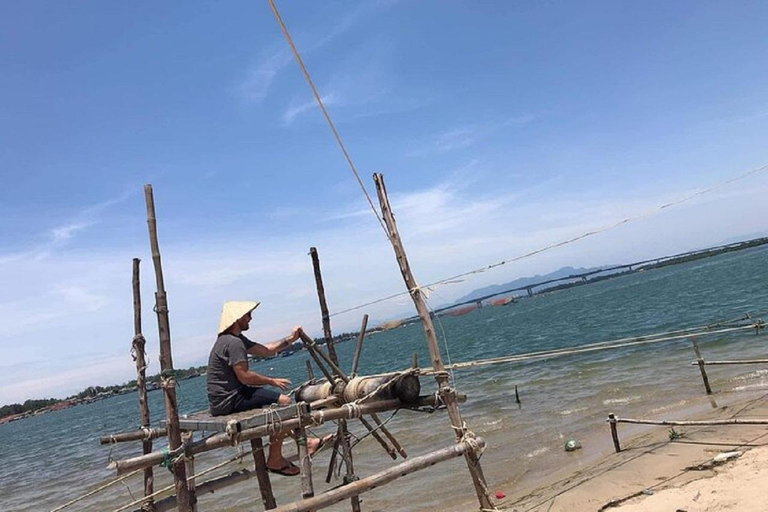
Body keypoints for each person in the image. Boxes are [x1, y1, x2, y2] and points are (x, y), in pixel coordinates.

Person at [207, 300, 329, 476]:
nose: (250, 318)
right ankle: (275, 459)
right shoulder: (233, 343)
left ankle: (307, 442)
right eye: (247, 315)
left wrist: (291, 338)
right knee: (285, 403)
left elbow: (267, 350)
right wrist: (271, 381)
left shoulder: (234, 339)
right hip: (229, 400)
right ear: (237, 318)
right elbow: (244, 375)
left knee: (279, 405)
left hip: (230, 396)